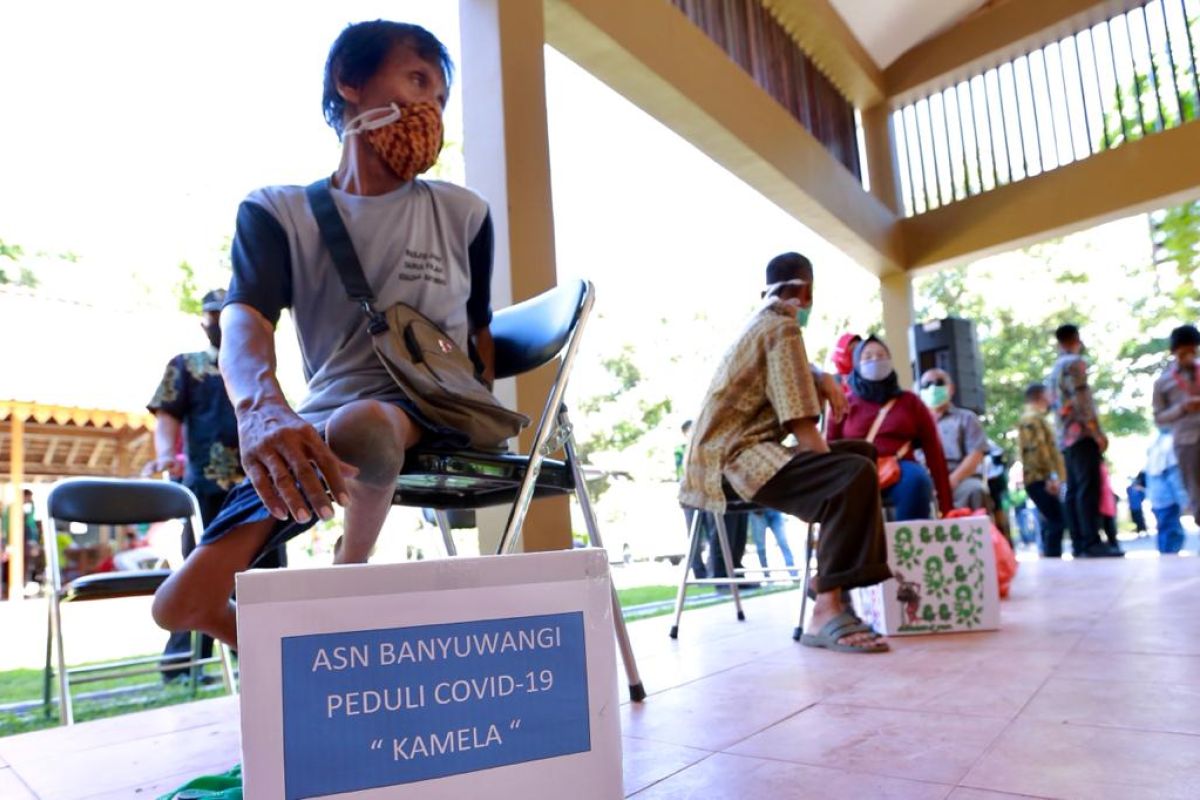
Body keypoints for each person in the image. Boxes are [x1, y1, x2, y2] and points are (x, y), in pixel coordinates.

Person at [153, 21, 497, 650]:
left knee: (366, 426)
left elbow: (482, 336)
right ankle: (302, 669)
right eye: (417, 80)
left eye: (442, 98)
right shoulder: (277, 211)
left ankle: (348, 580)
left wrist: (479, 400)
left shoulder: (465, 213)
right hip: (318, 419)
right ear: (350, 83)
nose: (430, 109)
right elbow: (245, 319)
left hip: (431, 404)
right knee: (180, 603)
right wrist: (259, 409)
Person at [680, 251, 890, 653]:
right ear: (806, 291)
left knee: (859, 455)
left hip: (720, 460)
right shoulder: (783, 328)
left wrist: (821, 375)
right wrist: (831, 472)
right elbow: (800, 423)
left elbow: (785, 373)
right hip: (736, 461)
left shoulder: (761, 324)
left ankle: (833, 587)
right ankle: (826, 606)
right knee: (852, 474)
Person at [145, 289, 287, 680]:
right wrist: (163, 456)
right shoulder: (186, 365)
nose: (215, 322)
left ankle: (262, 659)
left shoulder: (260, 368)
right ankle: (183, 666)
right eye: (210, 314)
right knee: (202, 571)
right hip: (204, 483)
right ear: (203, 321)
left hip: (263, 483)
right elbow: (166, 415)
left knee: (266, 575)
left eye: (222, 314)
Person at [828, 337, 952, 520]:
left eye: (881, 355)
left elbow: (934, 452)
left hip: (902, 470)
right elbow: (828, 448)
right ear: (857, 364)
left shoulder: (911, 402)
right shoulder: (843, 403)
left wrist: (947, 507)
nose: (875, 360)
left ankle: (911, 546)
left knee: (917, 482)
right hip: (856, 471)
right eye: (867, 356)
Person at [1048, 324, 1122, 557]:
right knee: (1088, 488)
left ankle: (1079, 543)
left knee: (1074, 490)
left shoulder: (1052, 371)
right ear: (1076, 340)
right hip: (1081, 435)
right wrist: (1096, 431)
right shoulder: (1075, 363)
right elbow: (1082, 400)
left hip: (1065, 438)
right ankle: (1092, 541)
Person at [920, 368, 989, 511]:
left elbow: (975, 455)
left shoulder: (967, 418)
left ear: (950, 388)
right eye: (926, 385)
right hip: (925, 481)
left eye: (939, 383)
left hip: (961, 479)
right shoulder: (914, 423)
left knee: (976, 491)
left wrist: (950, 482)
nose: (932, 388)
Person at [1152, 324, 1200, 523]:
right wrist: (1182, 407)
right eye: (1184, 350)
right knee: (1195, 491)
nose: (1189, 354)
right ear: (1174, 351)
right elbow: (1158, 417)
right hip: (1186, 442)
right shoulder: (1162, 382)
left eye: (1193, 349)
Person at [1017, 383, 1070, 557]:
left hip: (1041, 477)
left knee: (1052, 521)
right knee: (1057, 521)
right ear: (1040, 395)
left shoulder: (1035, 418)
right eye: (1049, 394)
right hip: (1040, 478)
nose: (1052, 397)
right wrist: (1051, 476)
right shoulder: (1033, 419)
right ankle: (1053, 564)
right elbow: (1038, 451)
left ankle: (1051, 562)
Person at [1145, 428, 1189, 554]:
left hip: (1157, 499)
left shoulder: (1155, 444)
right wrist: (1185, 501)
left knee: (1164, 530)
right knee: (1173, 532)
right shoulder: (1168, 444)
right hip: (1168, 499)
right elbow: (1175, 480)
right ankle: (1169, 559)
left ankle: (1165, 556)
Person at [748, 508, 796, 577]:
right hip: (757, 511)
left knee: (783, 542)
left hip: (775, 509)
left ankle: (794, 574)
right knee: (761, 547)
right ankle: (767, 576)